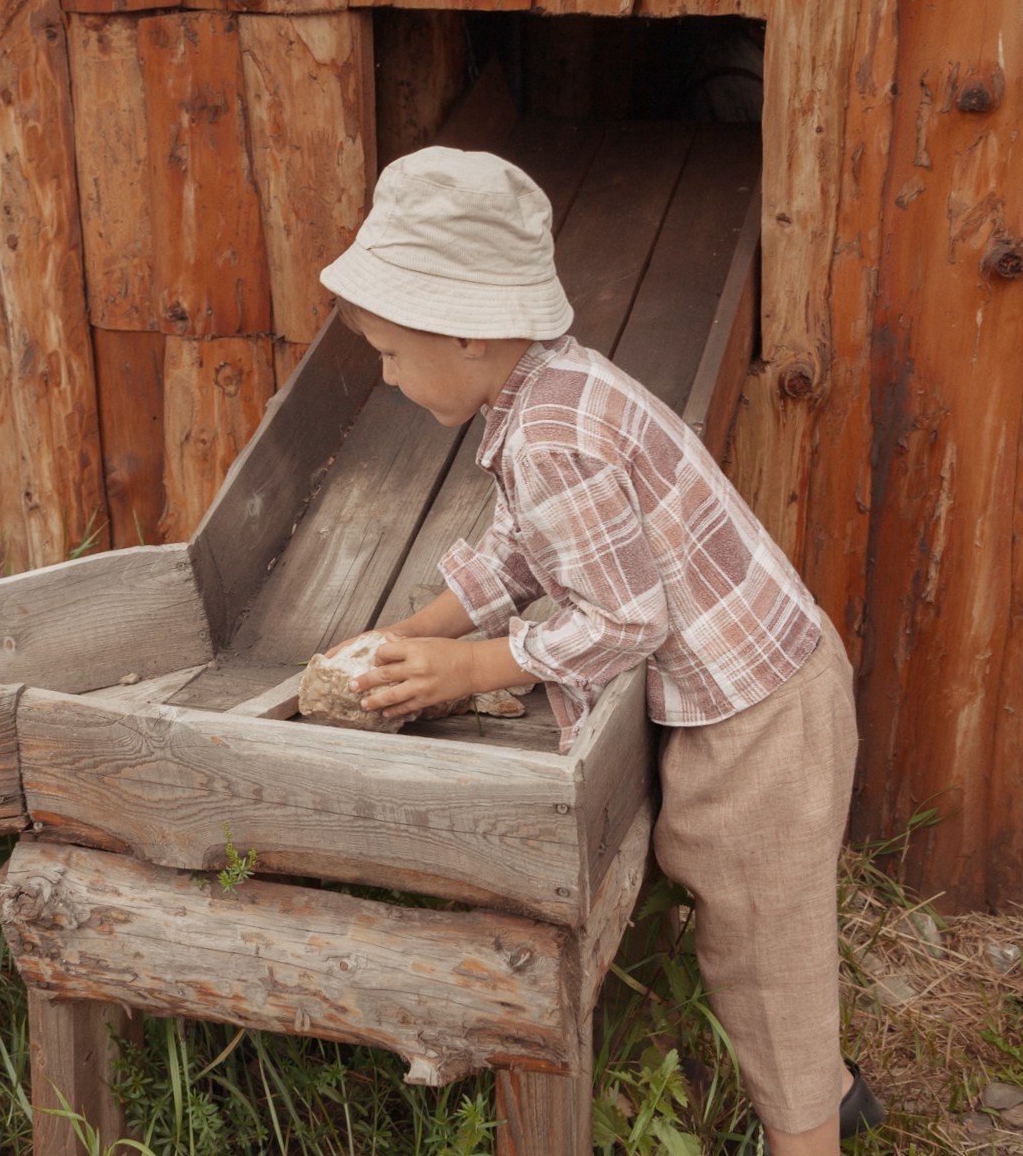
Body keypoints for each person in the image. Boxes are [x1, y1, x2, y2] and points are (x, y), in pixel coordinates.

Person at [318, 146, 884, 1155]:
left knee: (760, 938)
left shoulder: (550, 435)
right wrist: (415, 631)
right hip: (757, 682)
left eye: (391, 351)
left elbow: (626, 619)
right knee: (744, 910)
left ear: (465, 330)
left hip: (761, 711)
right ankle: (831, 1093)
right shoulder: (545, 388)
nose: (385, 373)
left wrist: (476, 666)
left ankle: (809, 1135)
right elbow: (523, 546)